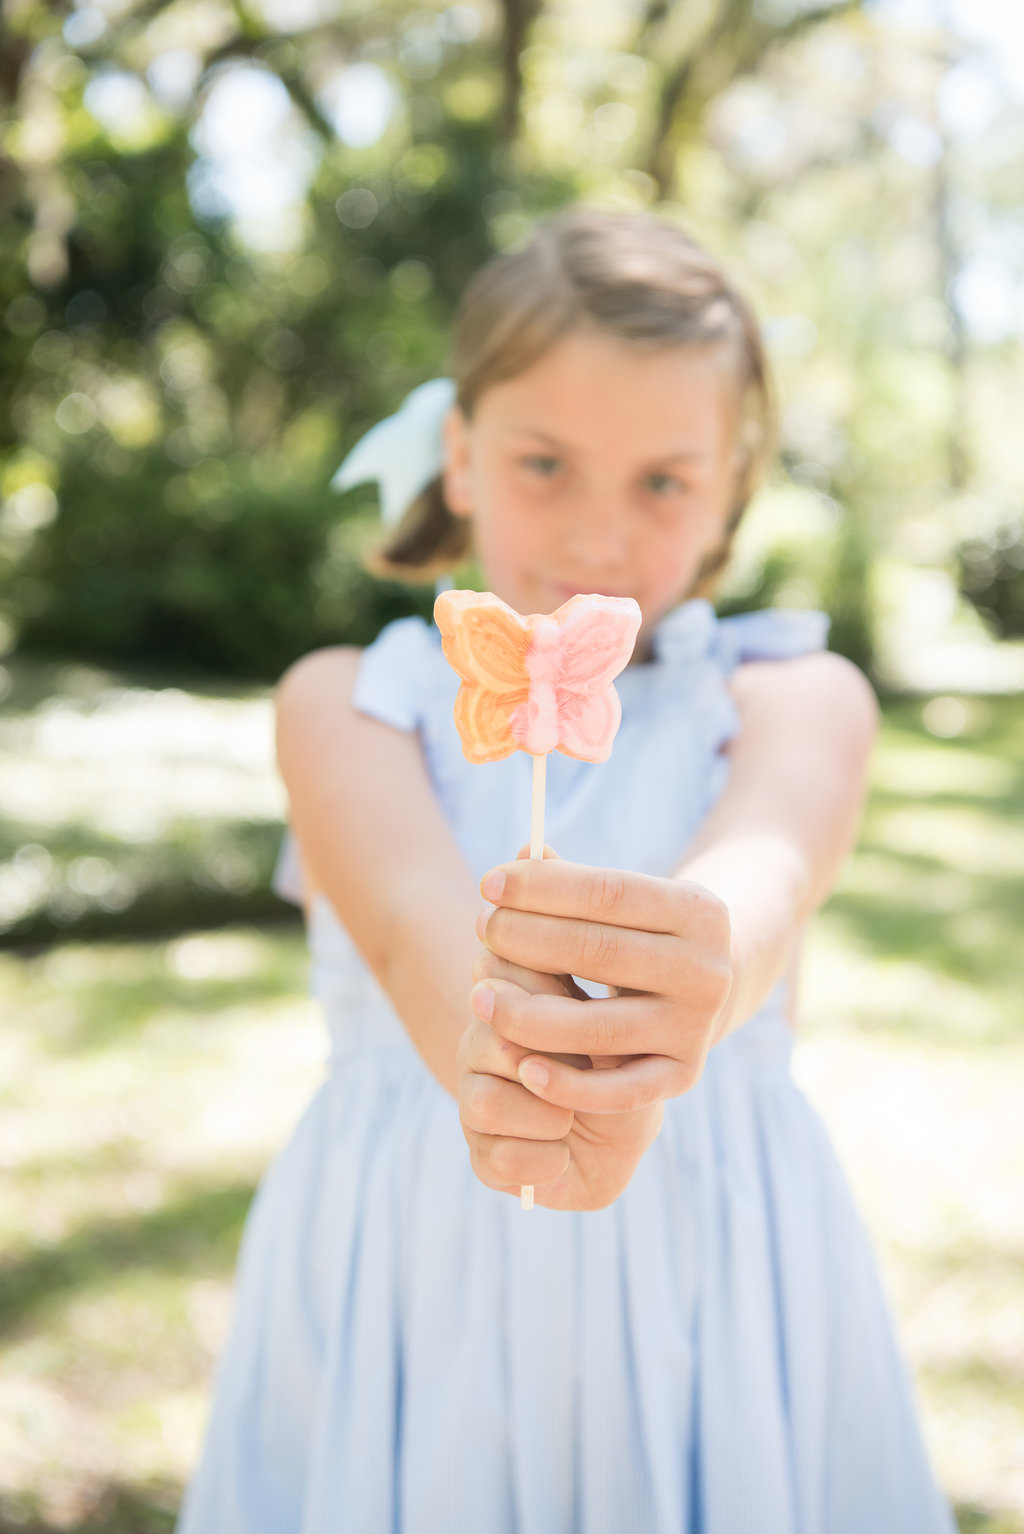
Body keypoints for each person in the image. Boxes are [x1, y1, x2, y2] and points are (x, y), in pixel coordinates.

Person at [177, 207, 957, 1533]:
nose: (599, 538)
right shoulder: (348, 703)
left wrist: (694, 979)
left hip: (711, 1264)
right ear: (462, 457)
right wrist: (513, 1056)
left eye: (662, 481)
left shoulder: (796, 699)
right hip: (421, 1262)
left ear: (729, 490)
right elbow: (422, 936)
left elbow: (757, 885)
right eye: (546, 464)